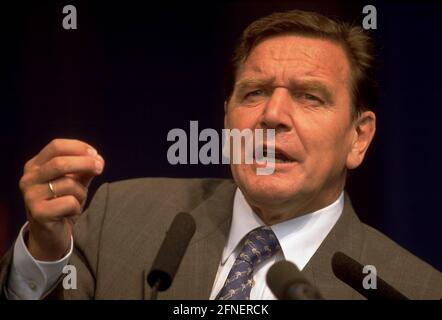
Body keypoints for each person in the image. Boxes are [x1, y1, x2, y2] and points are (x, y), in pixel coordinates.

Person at [0, 9, 440, 300]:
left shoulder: (410, 289)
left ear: (358, 137)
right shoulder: (121, 216)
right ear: (227, 118)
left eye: (309, 97)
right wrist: (43, 251)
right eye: (254, 93)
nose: (272, 115)